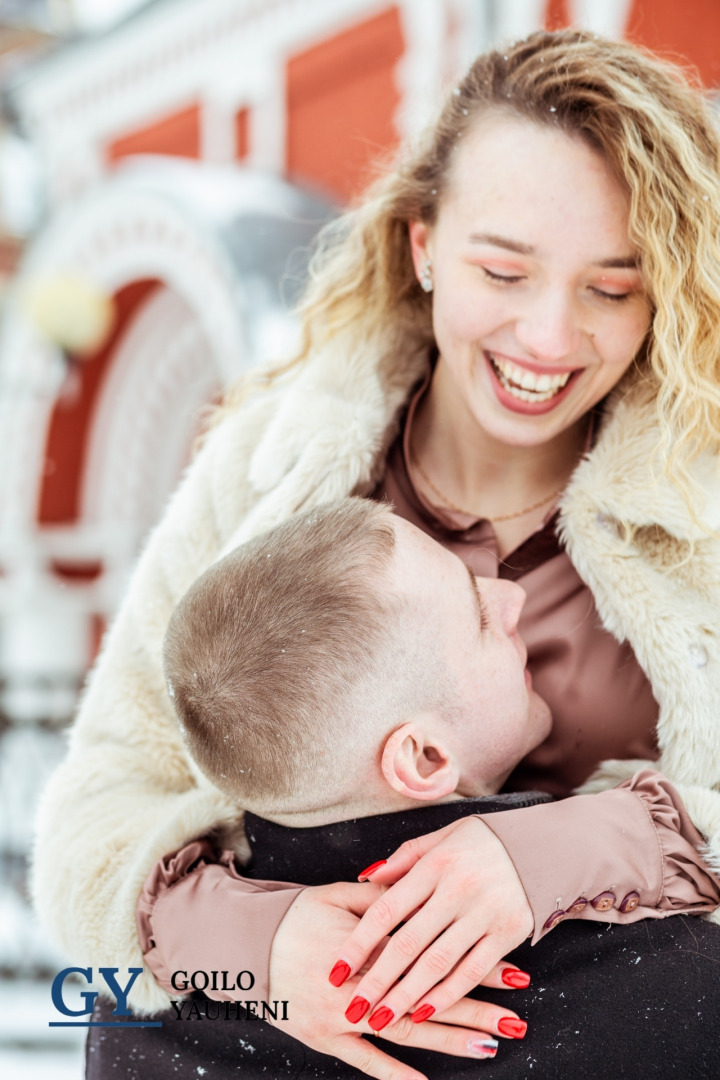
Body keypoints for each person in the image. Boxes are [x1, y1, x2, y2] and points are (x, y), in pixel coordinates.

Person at [32, 27, 720, 1080]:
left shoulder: (701, 489)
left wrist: (569, 852)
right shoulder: (272, 468)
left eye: (612, 289)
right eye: (505, 268)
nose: (548, 337)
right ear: (423, 245)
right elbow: (104, 802)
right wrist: (251, 951)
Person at [88, 497, 720, 1079]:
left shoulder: (132, 1018)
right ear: (422, 758)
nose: (511, 598)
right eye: (475, 613)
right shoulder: (675, 983)